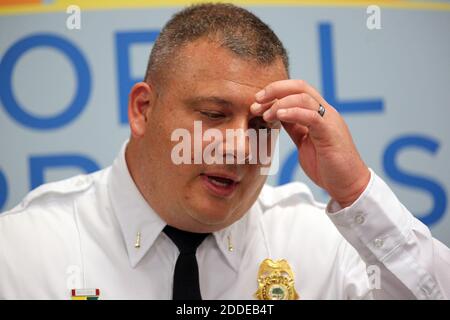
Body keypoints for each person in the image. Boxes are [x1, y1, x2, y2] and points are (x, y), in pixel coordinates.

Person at [0, 3, 449, 300]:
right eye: (214, 114)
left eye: (261, 125)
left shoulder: (321, 243)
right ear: (143, 110)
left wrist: (354, 190)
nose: (239, 147)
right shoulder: (23, 253)